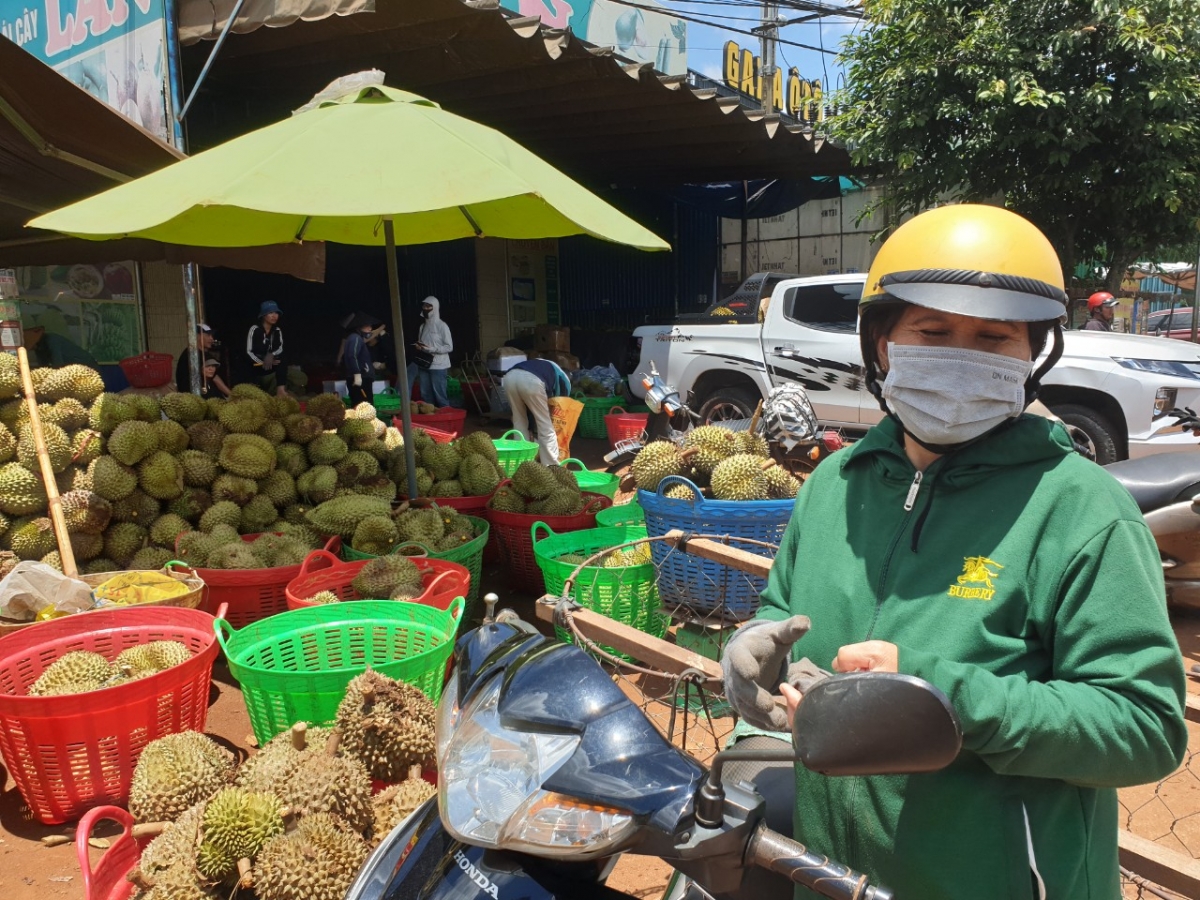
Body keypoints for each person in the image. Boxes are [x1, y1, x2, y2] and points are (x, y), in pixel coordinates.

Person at [721, 204, 1186, 900]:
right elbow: (788, 606)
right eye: (933, 331)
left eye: (993, 338)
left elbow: (1144, 728)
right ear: (882, 343)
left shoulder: (1080, 510)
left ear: (1033, 353)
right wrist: (757, 641)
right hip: (835, 875)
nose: (961, 357)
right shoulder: (832, 487)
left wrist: (945, 699)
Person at [502, 354, 572, 466]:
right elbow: (560, 403)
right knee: (546, 426)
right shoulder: (563, 377)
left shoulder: (542, 364)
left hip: (509, 378)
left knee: (519, 421)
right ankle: (551, 466)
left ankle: (521, 463)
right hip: (531, 381)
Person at [406, 296, 453, 408]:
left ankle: (446, 418)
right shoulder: (423, 326)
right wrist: (419, 346)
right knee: (425, 395)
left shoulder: (442, 326)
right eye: (424, 306)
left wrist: (432, 349)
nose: (425, 308)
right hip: (424, 364)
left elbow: (449, 347)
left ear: (435, 307)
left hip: (439, 366)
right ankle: (431, 419)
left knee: (440, 396)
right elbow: (421, 342)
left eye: (429, 306)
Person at [175, 323, 229, 397]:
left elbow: (215, 377)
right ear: (197, 336)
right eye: (207, 335)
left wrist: (231, 394)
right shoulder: (191, 355)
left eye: (211, 336)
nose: (212, 339)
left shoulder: (205, 354)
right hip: (194, 398)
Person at [246, 300, 286, 396]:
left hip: (270, 363)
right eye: (270, 313)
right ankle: (253, 389)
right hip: (256, 364)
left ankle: (281, 390)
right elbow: (249, 352)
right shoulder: (254, 329)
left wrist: (271, 355)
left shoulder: (277, 330)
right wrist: (263, 361)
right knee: (246, 365)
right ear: (264, 315)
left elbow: (280, 348)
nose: (274, 316)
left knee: (283, 359)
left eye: (276, 313)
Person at [342, 313, 380, 406]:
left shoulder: (357, 338)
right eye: (367, 326)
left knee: (363, 407)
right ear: (359, 327)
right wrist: (357, 375)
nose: (370, 328)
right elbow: (352, 356)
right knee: (364, 407)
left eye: (370, 326)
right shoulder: (355, 338)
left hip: (362, 378)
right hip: (361, 380)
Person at [24, 326, 98, 368]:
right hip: (72, 369)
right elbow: (43, 366)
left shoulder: (52, 340)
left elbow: (58, 363)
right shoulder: (39, 349)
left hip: (87, 365)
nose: (35, 348)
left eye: (34, 345)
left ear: (39, 341)